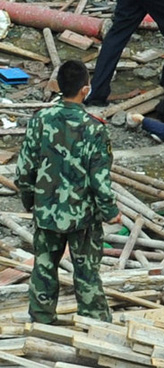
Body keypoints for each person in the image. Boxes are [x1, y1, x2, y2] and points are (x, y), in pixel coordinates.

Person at [15, 60, 121, 323]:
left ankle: (41, 320)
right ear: (85, 90)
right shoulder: (94, 128)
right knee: (86, 272)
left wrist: (31, 202)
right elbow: (99, 179)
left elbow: (23, 170)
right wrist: (110, 212)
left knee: (44, 267)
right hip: (82, 218)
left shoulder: (40, 119)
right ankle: (94, 324)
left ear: (58, 87)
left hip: (47, 212)